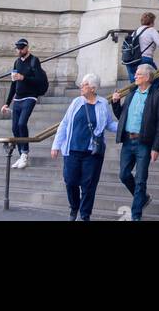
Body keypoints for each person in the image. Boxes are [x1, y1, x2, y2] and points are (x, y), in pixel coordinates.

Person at [51, 73, 117, 222]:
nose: (81, 86)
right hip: (72, 150)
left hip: (92, 152)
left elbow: (109, 124)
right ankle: (74, 207)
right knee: (70, 181)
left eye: (85, 84)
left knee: (88, 186)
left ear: (93, 88)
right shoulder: (76, 102)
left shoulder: (103, 104)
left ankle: (85, 215)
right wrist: (56, 145)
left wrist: (124, 127)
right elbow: (65, 123)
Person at [111, 64, 159, 221]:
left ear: (148, 77)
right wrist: (115, 103)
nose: (135, 76)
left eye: (139, 74)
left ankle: (136, 215)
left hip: (144, 143)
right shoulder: (131, 94)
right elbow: (121, 117)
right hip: (128, 142)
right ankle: (142, 198)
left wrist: (156, 147)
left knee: (141, 179)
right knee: (124, 175)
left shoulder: (158, 96)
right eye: (136, 74)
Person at [0, 38, 47, 170]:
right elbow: (13, 84)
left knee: (22, 123)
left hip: (30, 97)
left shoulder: (34, 60)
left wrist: (24, 78)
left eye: (21, 48)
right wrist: (7, 103)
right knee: (15, 127)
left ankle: (25, 154)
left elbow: (38, 79)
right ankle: (21, 155)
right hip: (18, 99)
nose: (19, 50)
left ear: (27, 48)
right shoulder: (16, 63)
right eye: (18, 48)